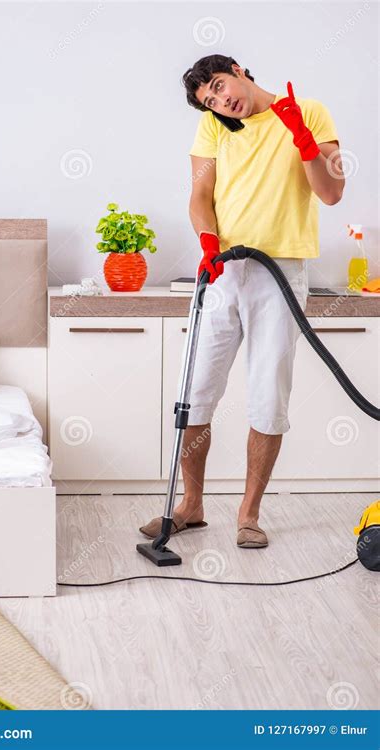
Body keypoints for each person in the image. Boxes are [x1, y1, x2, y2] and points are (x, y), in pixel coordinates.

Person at [140, 54, 344, 548]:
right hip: (224, 270)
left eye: (218, 85)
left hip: (281, 273)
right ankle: (191, 505)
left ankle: (249, 515)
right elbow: (200, 195)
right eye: (209, 99)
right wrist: (208, 242)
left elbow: (332, 193)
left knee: (267, 396)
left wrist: (305, 143)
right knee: (197, 390)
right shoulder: (212, 128)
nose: (220, 100)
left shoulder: (310, 110)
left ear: (237, 69)